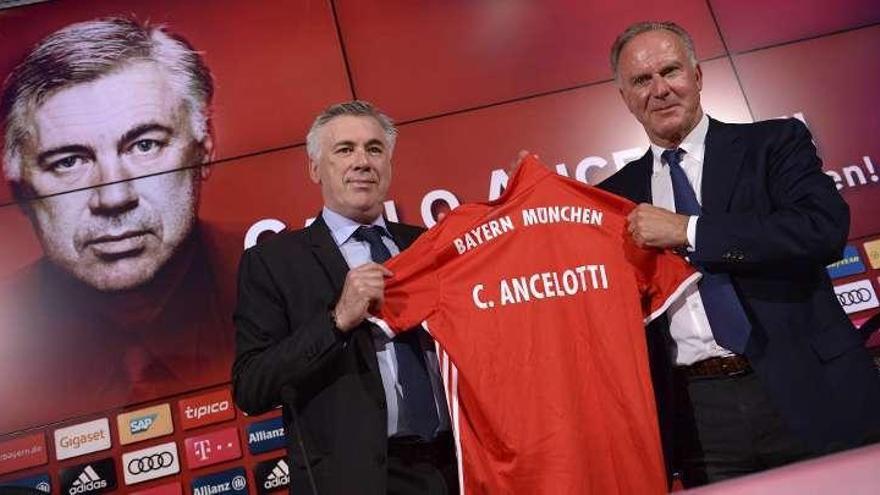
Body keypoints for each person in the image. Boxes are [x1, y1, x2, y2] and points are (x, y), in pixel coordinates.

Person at [598, 21, 880, 486]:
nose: (661, 89)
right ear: (625, 97)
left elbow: (821, 230)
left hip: (807, 388)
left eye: (671, 71)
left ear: (698, 75)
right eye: (642, 80)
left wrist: (688, 229)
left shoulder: (773, 144)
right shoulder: (613, 197)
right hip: (698, 414)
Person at [0, 18, 237, 433]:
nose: (113, 196)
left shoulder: (294, 278)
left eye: (145, 145)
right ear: (21, 189)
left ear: (204, 150)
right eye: (68, 161)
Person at [232, 101, 457, 495]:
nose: (362, 161)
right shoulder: (273, 262)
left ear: (389, 163)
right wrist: (336, 320)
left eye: (374, 149)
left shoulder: (430, 244)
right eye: (344, 149)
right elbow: (252, 387)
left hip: (454, 468)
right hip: (356, 479)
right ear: (315, 168)